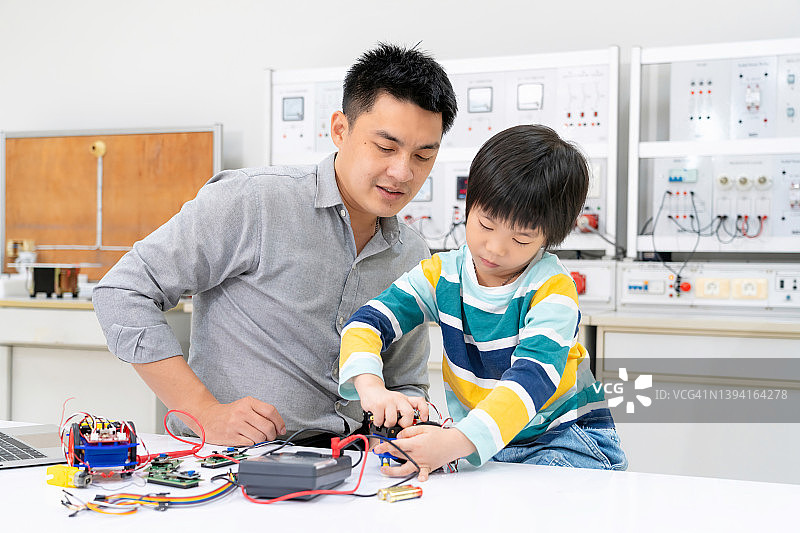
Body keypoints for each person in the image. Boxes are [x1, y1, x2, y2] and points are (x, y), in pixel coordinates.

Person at [92, 43, 457, 446]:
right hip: (230, 464)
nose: (402, 172)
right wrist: (204, 412)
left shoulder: (412, 254)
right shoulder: (253, 201)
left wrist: (409, 419)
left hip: (352, 468)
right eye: (386, 147)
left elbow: (404, 381)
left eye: (423, 156)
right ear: (340, 129)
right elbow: (121, 291)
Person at [338, 124, 627, 480]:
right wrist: (371, 388)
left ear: (550, 237)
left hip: (567, 439)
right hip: (487, 441)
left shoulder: (552, 290)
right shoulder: (440, 275)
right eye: (486, 225)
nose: (495, 248)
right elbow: (366, 323)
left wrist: (453, 442)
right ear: (468, 204)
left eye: (521, 238)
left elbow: (530, 381)